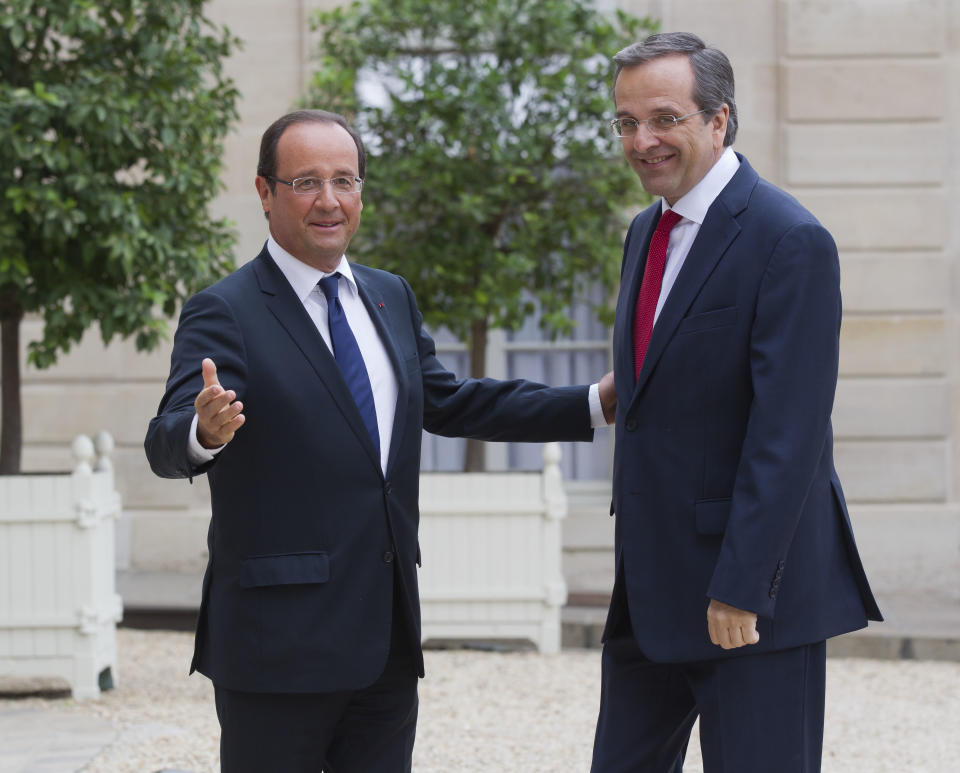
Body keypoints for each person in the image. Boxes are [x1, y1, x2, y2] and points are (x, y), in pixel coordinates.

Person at [144, 109, 615, 773]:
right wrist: (203, 431)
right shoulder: (226, 309)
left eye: (345, 180)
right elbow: (165, 438)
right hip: (278, 647)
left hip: (385, 641)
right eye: (306, 181)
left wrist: (593, 403)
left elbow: (449, 399)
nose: (329, 200)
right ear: (264, 191)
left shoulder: (389, 295)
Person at [591, 32, 882, 772]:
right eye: (626, 123)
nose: (641, 140)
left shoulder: (791, 240)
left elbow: (789, 434)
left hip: (749, 600)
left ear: (720, 119)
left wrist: (743, 588)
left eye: (664, 119)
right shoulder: (643, 232)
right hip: (650, 592)